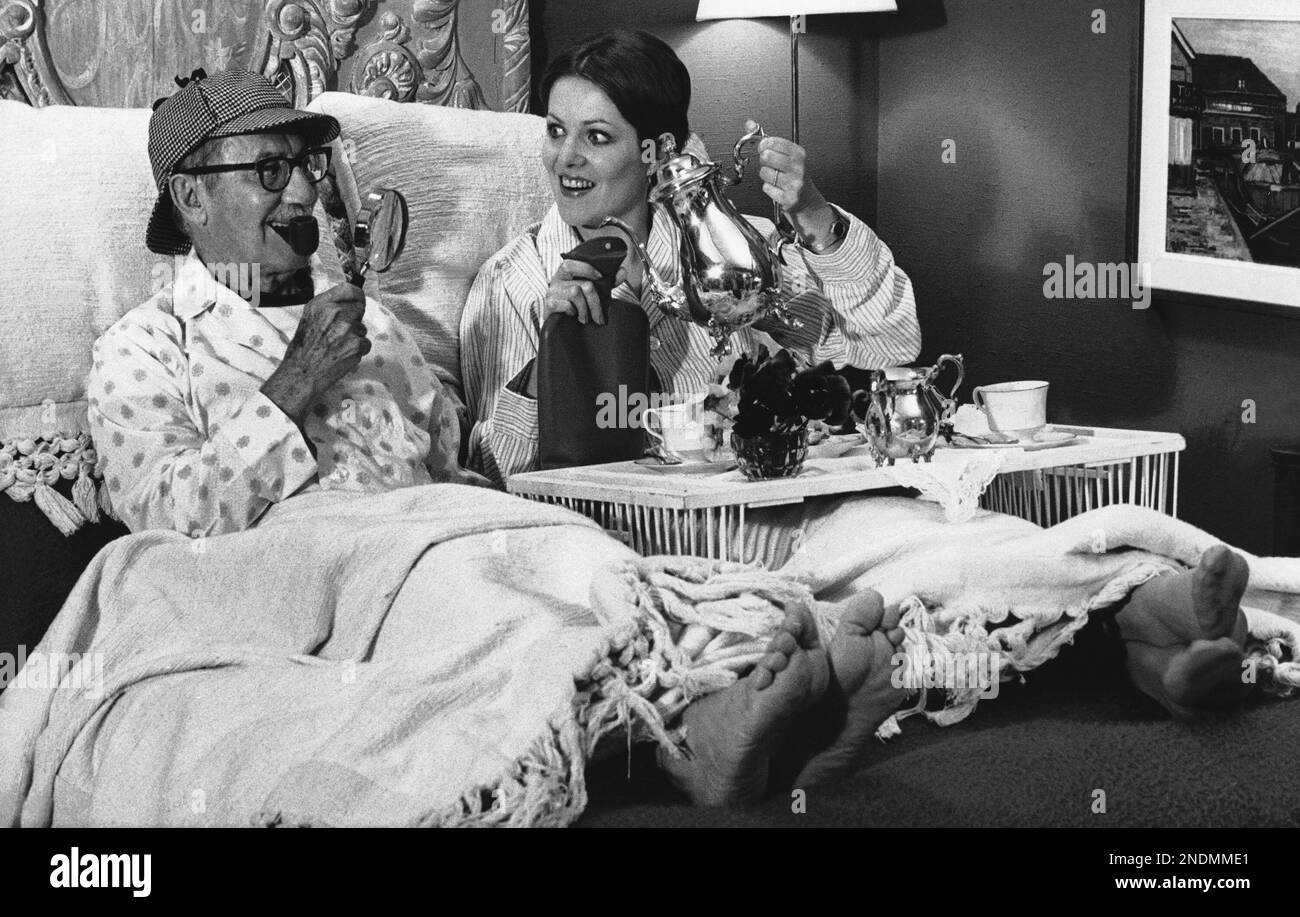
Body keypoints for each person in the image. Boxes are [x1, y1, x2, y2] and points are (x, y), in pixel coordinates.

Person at [84, 65, 933, 809]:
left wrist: (518, 527)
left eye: (304, 167)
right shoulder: (143, 349)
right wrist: (296, 383)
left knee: (560, 565)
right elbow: (173, 529)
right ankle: (690, 741)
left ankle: (753, 689)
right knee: (494, 588)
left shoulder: (374, 324)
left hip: (444, 535)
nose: (305, 194)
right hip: (324, 568)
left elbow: (468, 466)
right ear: (192, 197)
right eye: (270, 170)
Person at [457, 29, 1258, 734]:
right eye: (557, 132)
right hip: (669, 536)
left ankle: (1154, 617)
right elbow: (496, 472)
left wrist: (812, 215)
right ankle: (1150, 624)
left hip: (794, 503)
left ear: (661, 151)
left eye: (596, 137)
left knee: (955, 541)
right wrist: (554, 348)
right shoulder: (516, 281)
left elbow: (887, 345)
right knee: (916, 567)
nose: (566, 159)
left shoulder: (733, 257)